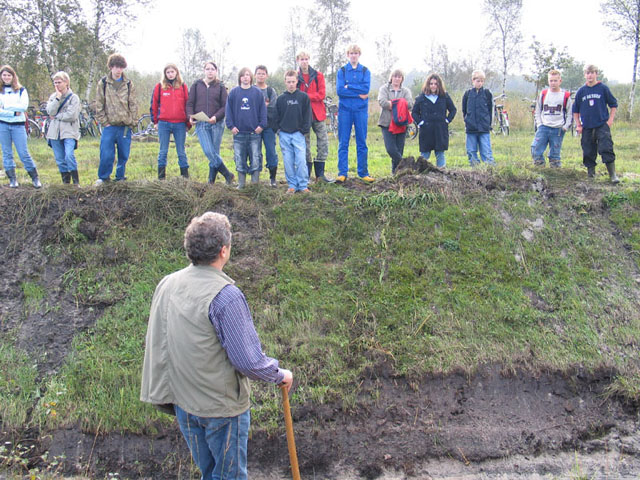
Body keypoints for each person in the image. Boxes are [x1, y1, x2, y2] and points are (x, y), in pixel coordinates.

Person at [140, 211, 293, 480]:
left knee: (211, 473)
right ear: (224, 250)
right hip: (220, 411)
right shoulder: (226, 297)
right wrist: (280, 375)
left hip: (184, 404)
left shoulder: (168, 284)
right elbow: (249, 361)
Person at [187, 62, 234, 185]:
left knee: (214, 153)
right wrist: (190, 116)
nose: (210, 71)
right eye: (207, 69)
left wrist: (216, 117)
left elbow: (225, 106)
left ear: (216, 71)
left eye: (212, 69)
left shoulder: (221, 86)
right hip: (201, 123)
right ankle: (228, 174)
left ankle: (210, 182)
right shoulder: (196, 85)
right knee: (209, 151)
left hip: (217, 124)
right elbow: (190, 103)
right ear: (204, 71)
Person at [94, 53, 138, 185]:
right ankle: (103, 177)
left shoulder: (129, 84)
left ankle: (120, 177)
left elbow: (133, 104)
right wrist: (104, 122)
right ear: (111, 67)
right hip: (109, 125)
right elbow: (99, 103)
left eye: (121, 67)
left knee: (123, 154)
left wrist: (133, 122)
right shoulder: (103, 83)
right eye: (116, 67)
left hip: (125, 125)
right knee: (106, 153)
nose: (118, 70)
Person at [572, 64, 619, 183]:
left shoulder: (603, 88)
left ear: (596, 74)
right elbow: (575, 110)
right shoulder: (581, 91)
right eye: (588, 73)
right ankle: (591, 175)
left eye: (592, 73)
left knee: (606, 148)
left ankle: (612, 175)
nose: (590, 75)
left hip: (602, 124)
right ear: (585, 75)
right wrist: (578, 125)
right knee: (588, 150)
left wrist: (610, 120)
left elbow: (613, 104)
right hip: (587, 126)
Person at [336, 45, 373, 183]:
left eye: (356, 53)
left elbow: (366, 89)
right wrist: (358, 93)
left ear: (359, 54)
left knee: (362, 142)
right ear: (347, 55)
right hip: (344, 110)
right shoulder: (342, 71)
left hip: (361, 110)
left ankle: (363, 173)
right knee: (343, 141)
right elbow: (340, 91)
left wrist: (349, 86)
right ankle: (342, 173)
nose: (353, 55)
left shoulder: (365, 71)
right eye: (351, 53)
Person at [0, 65, 41, 188]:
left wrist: (5, 108)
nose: (6, 77)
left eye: (9, 75)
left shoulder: (21, 90)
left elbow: (23, 107)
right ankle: (12, 179)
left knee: (23, 152)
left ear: (13, 76)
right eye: (4, 75)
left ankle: (35, 178)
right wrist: (12, 112)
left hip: (18, 126)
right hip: (3, 125)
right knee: (7, 153)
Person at [225, 68, 267, 188]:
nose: (245, 77)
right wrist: (231, 126)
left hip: (254, 133)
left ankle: (254, 185)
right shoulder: (233, 93)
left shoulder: (257, 93)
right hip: (239, 134)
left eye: (247, 75)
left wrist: (261, 126)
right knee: (239, 158)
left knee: (255, 157)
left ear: (251, 77)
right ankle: (241, 184)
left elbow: (263, 111)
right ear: (240, 78)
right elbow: (228, 111)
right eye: (243, 75)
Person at [296, 51, 332, 182]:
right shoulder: (296, 77)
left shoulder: (318, 75)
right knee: (304, 143)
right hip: (302, 114)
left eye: (306, 59)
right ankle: (307, 175)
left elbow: (321, 94)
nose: (304, 62)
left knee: (323, 141)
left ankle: (320, 174)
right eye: (302, 59)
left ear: (309, 60)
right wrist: (308, 97)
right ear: (298, 61)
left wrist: (305, 96)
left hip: (318, 112)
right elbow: (295, 94)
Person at [276, 70, 312, 193]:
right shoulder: (280, 99)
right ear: (285, 82)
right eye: (288, 82)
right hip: (284, 134)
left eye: (293, 82)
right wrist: (279, 130)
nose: (291, 84)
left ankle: (303, 185)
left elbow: (308, 115)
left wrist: (304, 130)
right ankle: (292, 185)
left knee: (301, 160)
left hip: (298, 134)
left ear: (297, 81)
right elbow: (276, 116)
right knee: (288, 161)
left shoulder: (303, 97)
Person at [151, 63, 190, 179]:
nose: (170, 74)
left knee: (181, 151)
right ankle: (161, 178)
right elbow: (154, 104)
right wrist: (155, 122)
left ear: (176, 73)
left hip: (180, 123)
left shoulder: (183, 86)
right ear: (165, 74)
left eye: (172, 72)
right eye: (168, 72)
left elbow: (188, 105)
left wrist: (188, 123)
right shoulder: (159, 87)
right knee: (163, 151)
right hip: (164, 123)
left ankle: (185, 177)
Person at [412, 73, 457, 168]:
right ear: (427, 85)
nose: (433, 86)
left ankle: (442, 175)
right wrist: (420, 123)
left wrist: (447, 120)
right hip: (426, 130)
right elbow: (414, 112)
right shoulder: (421, 98)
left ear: (439, 85)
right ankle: (421, 175)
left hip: (440, 130)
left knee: (440, 154)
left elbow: (453, 110)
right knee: (424, 155)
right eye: (431, 83)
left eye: (435, 84)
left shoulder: (444, 96)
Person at [531, 70, 573, 168]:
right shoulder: (543, 94)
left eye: (555, 80)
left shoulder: (565, 96)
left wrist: (565, 126)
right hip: (544, 127)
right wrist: (539, 124)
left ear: (560, 81)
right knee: (535, 148)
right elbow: (537, 111)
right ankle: (540, 168)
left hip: (558, 128)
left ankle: (555, 173)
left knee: (555, 154)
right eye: (551, 81)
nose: (553, 83)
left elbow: (570, 113)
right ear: (548, 81)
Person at [46, 71, 81, 185]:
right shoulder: (53, 97)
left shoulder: (73, 98)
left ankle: (76, 182)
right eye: (55, 83)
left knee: (69, 155)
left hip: (69, 132)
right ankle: (66, 183)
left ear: (66, 83)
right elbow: (50, 111)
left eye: (59, 82)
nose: (57, 85)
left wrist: (57, 116)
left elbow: (72, 115)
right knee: (60, 159)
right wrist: (57, 99)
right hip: (54, 133)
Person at [377, 69, 413, 173]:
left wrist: (393, 104)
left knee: (399, 149)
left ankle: (395, 173)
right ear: (391, 77)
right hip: (387, 123)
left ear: (402, 79)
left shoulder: (406, 91)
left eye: (399, 77)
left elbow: (410, 104)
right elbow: (382, 102)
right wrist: (400, 104)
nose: (397, 79)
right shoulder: (384, 89)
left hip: (401, 124)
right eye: (395, 76)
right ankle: (405, 164)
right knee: (391, 149)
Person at [461, 70, 495, 166]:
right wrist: (467, 120)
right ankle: (475, 170)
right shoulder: (467, 94)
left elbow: (490, 110)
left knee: (486, 151)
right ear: (473, 81)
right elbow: (464, 110)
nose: (479, 83)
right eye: (477, 81)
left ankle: (490, 170)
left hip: (484, 128)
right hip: (471, 128)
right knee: (471, 151)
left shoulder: (487, 93)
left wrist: (489, 124)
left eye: (481, 81)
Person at [255, 65, 279, 187]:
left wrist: (261, 107)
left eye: (263, 73)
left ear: (266, 75)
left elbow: (273, 108)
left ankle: (273, 179)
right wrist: (262, 105)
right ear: (255, 75)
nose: (260, 76)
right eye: (258, 73)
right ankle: (256, 178)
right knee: (256, 152)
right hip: (254, 128)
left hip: (269, 127)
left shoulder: (271, 91)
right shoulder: (251, 90)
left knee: (271, 151)